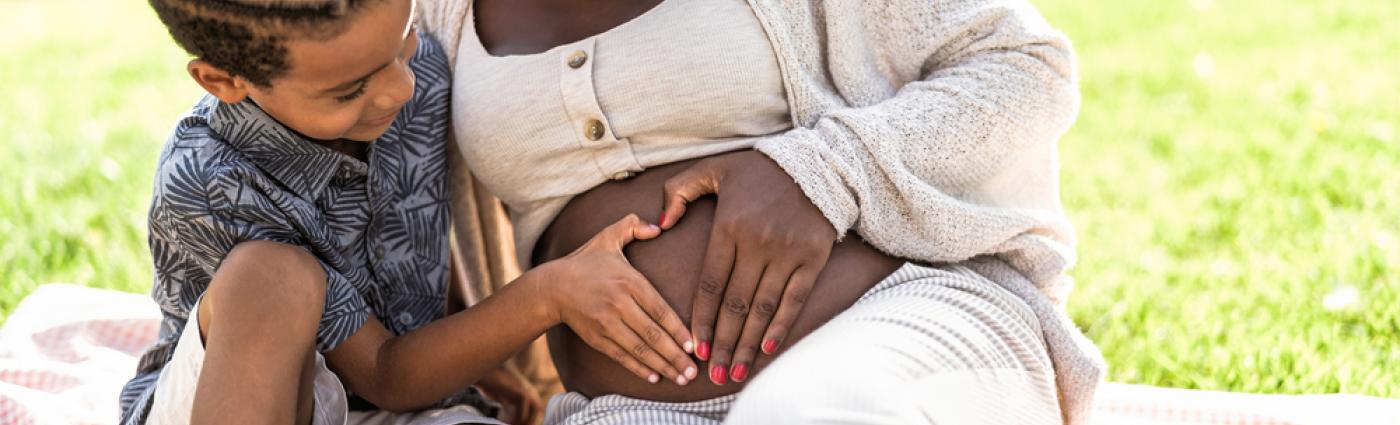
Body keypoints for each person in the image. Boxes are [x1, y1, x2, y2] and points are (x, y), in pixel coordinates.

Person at [423, 0, 1108, 423]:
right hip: (626, 405)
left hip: (903, 318)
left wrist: (821, 171)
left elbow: (1023, 66)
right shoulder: (438, 11)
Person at [119, 1, 701, 423]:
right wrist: (549, 293)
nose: (400, 88)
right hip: (241, 402)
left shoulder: (417, 81)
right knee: (271, 278)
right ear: (223, 80)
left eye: (401, 43)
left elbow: (404, 257)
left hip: (395, 406)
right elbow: (384, 373)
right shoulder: (209, 180)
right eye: (349, 91)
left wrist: (480, 369)